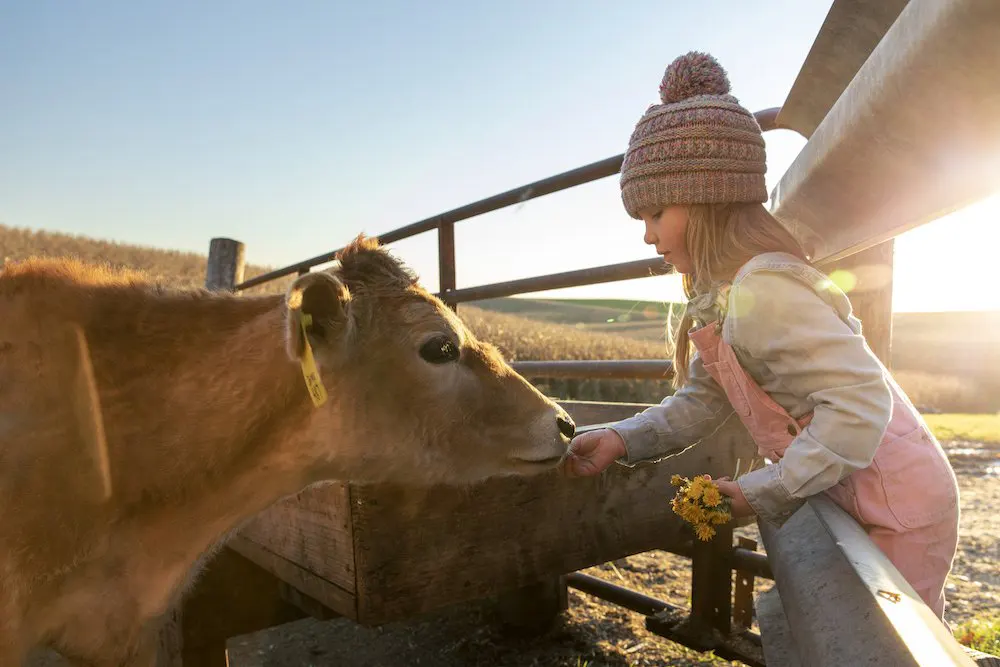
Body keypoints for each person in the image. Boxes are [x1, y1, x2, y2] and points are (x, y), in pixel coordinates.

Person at [561, 51, 960, 622]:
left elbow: (859, 402)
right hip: (840, 483)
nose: (648, 238)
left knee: (896, 640)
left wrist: (767, 487)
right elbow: (701, 401)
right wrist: (621, 439)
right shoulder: (722, 300)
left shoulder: (767, 292)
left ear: (706, 198)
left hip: (897, 500)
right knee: (843, 629)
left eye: (655, 214)